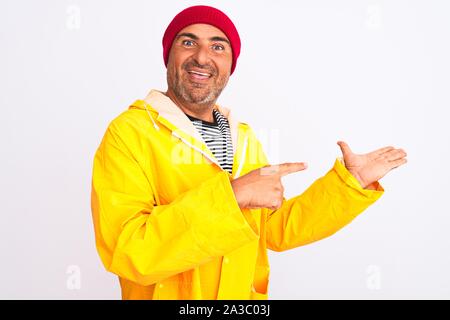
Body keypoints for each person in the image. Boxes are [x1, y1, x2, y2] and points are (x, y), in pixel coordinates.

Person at [90, 5, 407, 300]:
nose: (202, 57)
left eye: (218, 47)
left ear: (230, 64)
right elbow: (129, 250)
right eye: (188, 43)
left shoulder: (243, 137)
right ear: (168, 55)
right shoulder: (129, 133)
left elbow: (275, 228)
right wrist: (232, 196)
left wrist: (349, 184)